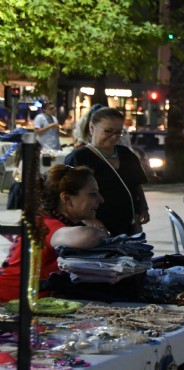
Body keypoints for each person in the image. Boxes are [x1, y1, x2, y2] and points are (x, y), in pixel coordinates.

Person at [0, 165, 109, 302]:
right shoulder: (48, 225)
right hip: (8, 304)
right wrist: (102, 232)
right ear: (66, 198)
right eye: (92, 193)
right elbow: (89, 237)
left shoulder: (45, 220)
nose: (100, 199)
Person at [65, 107, 149, 236]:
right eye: (108, 131)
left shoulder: (127, 154)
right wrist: (88, 219)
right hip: (96, 229)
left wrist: (143, 207)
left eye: (119, 132)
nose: (114, 137)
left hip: (128, 226)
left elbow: (137, 185)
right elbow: (67, 195)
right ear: (92, 128)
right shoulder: (78, 158)